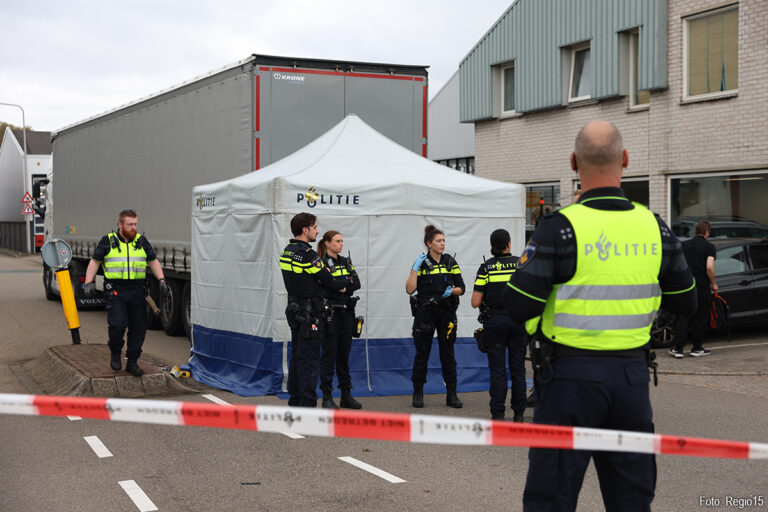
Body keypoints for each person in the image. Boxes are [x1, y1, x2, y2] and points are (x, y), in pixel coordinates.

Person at [503, 121, 696, 511]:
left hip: (567, 381)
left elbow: (519, 304)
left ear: (574, 162)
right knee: (631, 500)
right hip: (631, 379)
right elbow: (687, 302)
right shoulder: (654, 226)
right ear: (625, 160)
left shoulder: (559, 229)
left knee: (551, 500)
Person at [82, 209, 167, 377]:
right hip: (116, 291)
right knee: (117, 325)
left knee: (139, 328)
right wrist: (87, 282)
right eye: (130, 224)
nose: (133, 227)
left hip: (137, 291)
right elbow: (95, 262)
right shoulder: (107, 241)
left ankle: (132, 361)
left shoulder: (141, 241)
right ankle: (115, 352)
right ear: (120, 224)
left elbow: (153, 261)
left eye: (135, 224)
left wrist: (162, 280)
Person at [280, 213, 349, 408]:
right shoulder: (308, 255)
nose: (317, 231)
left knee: (297, 358)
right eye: (315, 227)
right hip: (310, 312)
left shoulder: (287, 250)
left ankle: (295, 402)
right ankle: (308, 407)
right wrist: (345, 285)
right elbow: (331, 281)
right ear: (305, 229)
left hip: (294, 309)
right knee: (309, 362)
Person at [405, 225, 465, 409]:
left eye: (444, 240)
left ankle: (452, 394)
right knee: (422, 354)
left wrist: (452, 291)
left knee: (448, 354)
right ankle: (417, 393)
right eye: (439, 241)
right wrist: (414, 268)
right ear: (429, 243)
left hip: (446, 313)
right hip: (426, 314)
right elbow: (409, 289)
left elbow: (461, 288)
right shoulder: (421, 262)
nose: (442, 244)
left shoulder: (450, 261)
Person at [471, 229, 527, 421]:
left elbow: (475, 302)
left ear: (492, 245)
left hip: (495, 323)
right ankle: (519, 414)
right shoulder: (521, 263)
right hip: (519, 320)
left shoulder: (486, 267)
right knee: (518, 369)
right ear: (509, 244)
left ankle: (498, 414)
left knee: (497, 371)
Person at [317, 230, 363, 409]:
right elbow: (330, 285)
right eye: (337, 241)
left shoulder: (345, 261)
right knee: (329, 356)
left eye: (342, 241)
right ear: (327, 243)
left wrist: (342, 287)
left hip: (346, 314)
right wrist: (345, 284)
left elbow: (357, 283)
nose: (341, 244)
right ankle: (327, 397)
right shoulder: (321, 262)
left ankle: (346, 394)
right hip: (331, 315)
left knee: (344, 356)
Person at [670, 220, 717, 358]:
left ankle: (678, 349)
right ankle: (697, 348)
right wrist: (713, 283)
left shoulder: (684, 245)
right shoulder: (709, 247)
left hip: (686, 285)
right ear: (707, 232)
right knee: (700, 316)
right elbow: (709, 267)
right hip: (702, 286)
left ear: (696, 231)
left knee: (683, 316)